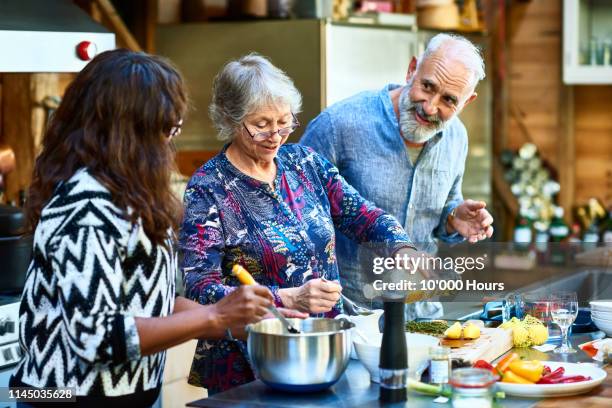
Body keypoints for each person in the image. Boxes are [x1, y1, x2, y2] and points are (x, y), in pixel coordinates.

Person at [10, 49, 279, 408]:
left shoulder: (128, 193)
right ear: (131, 130)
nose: (171, 139)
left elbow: (151, 304)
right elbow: (98, 337)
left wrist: (233, 319)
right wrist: (213, 316)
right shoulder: (87, 205)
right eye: (168, 126)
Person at [179, 53, 415, 394]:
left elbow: (362, 215)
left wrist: (401, 246)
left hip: (323, 351)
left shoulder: (304, 163)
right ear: (231, 120)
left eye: (284, 122)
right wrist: (285, 299)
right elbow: (200, 288)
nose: (276, 134)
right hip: (250, 364)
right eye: (261, 124)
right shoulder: (208, 187)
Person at [300, 33, 494, 312]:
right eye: (427, 86)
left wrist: (453, 218)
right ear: (411, 69)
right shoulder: (339, 125)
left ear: (466, 102)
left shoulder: (457, 138)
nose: (430, 107)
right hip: (354, 315)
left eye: (449, 100)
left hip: (422, 315)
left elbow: (441, 214)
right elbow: (294, 212)